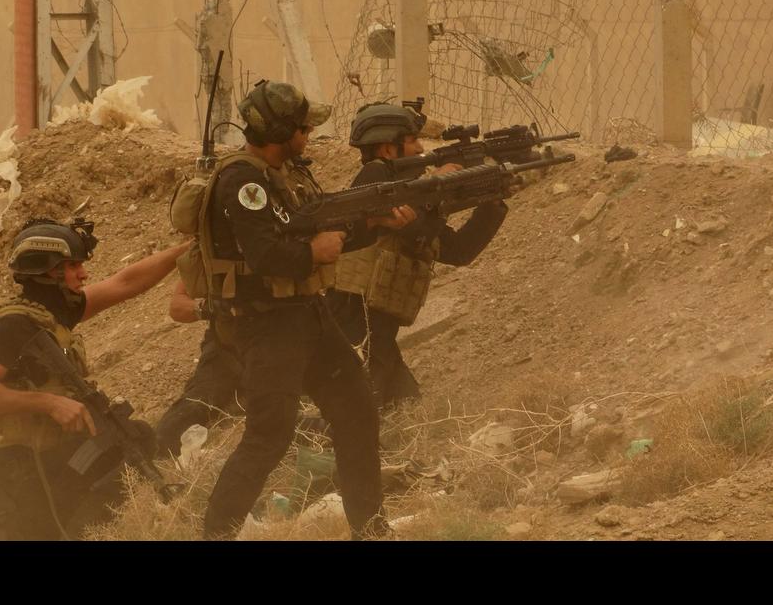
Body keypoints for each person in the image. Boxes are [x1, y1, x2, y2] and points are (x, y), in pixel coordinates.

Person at [196, 79, 416, 540]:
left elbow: (323, 237)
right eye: (301, 127)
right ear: (279, 131)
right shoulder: (243, 180)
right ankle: (215, 533)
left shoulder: (286, 175)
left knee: (357, 410)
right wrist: (312, 252)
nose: (308, 133)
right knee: (269, 434)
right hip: (267, 323)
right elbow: (266, 254)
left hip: (305, 315)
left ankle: (372, 531)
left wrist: (372, 224)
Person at [0, 218, 189, 540]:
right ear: (49, 271)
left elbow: (125, 283)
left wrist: (188, 251)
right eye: (73, 266)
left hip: (50, 459)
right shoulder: (12, 325)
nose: (83, 274)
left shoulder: (50, 314)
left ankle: (78, 531)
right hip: (16, 475)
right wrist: (49, 403)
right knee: (39, 532)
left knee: (133, 438)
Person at [328, 102, 509, 409]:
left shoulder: (411, 194)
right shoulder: (375, 177)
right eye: (412, 140)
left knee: (404, 408)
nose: (421, 148)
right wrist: (436, 185)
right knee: (357, 410)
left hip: (377, 324)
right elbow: (405, 219)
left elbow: (457, 250)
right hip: (355, 317)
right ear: (388, 149)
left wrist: (491, 202)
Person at [152, 280, 327, 459]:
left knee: (307, 412)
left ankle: (244, 412)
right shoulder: (214, 253)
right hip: (227, 350)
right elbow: (178, 307)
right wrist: (211, 308)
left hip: (280, 344)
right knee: (173, 430)